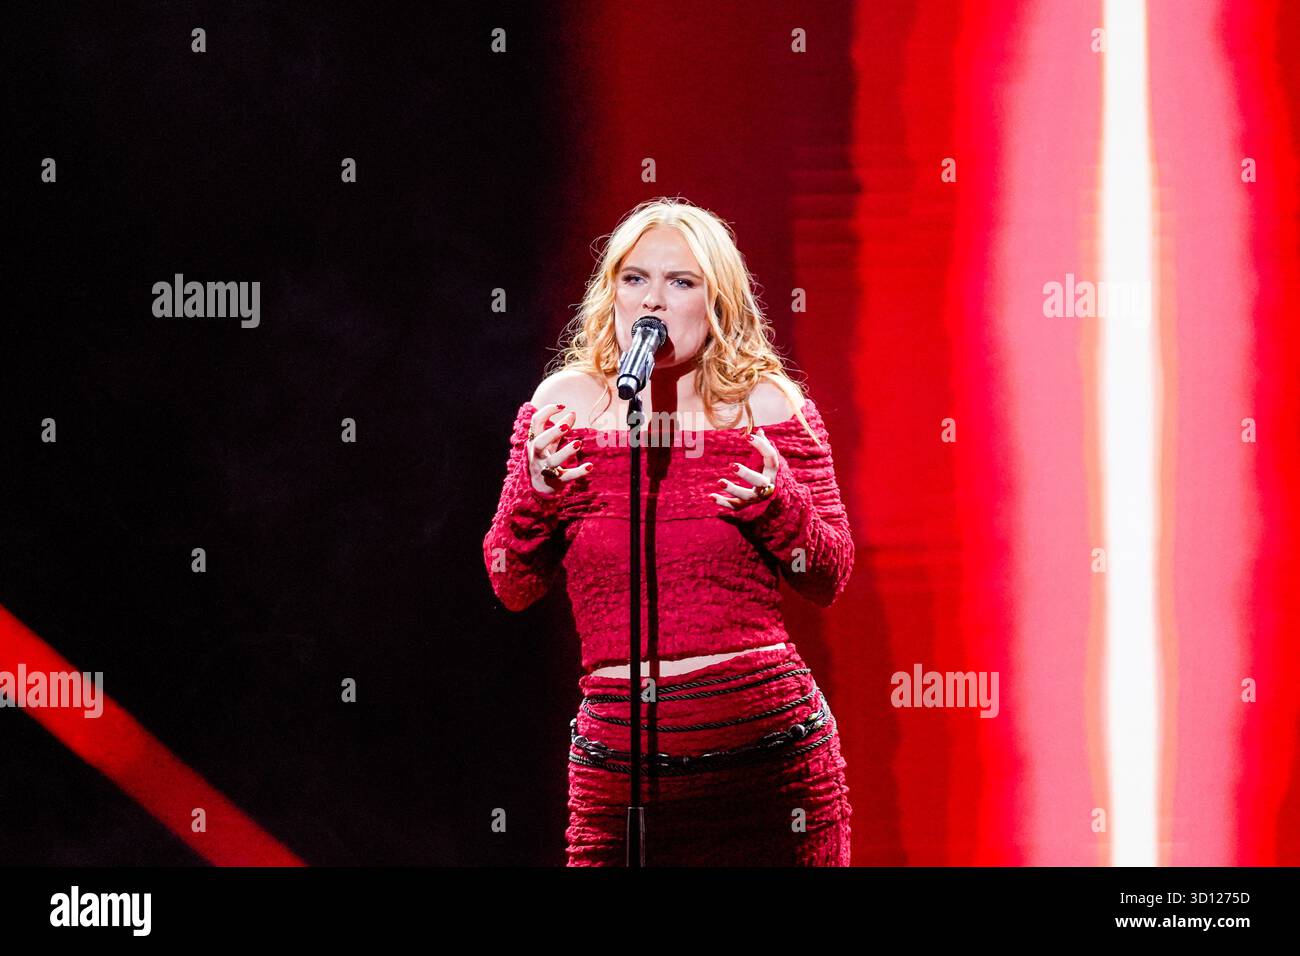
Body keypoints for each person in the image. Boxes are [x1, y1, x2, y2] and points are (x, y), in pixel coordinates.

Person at [482, 196, 854, 865]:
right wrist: (536, 493)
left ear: (717, 303)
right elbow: (512, 584)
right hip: (620, 782)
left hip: (767, 774)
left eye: (681, 282)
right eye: (635, 279)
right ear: (612, 294)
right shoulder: (560, 409)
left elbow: (828, 575)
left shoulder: (764, 407)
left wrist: (779, 502)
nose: (653, 300)